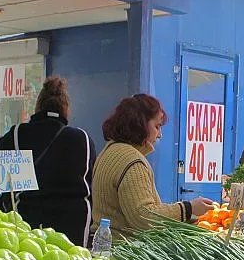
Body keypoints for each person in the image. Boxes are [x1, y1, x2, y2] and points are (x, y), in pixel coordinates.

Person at [0, 76, 96, 246]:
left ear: (38, 107)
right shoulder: (83, 138)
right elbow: (91, 183)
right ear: (66, 110)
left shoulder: (17, 134)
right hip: (74, 229)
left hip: (28, 226)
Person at [91, 94, 213, 238]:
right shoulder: (132, 161)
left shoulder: (109, 151)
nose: (160, 135)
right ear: (139, 124)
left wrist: (182, 220)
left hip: (104, 243)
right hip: (123, 248)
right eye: (157, 126)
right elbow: (143, 217)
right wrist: (188, 208)